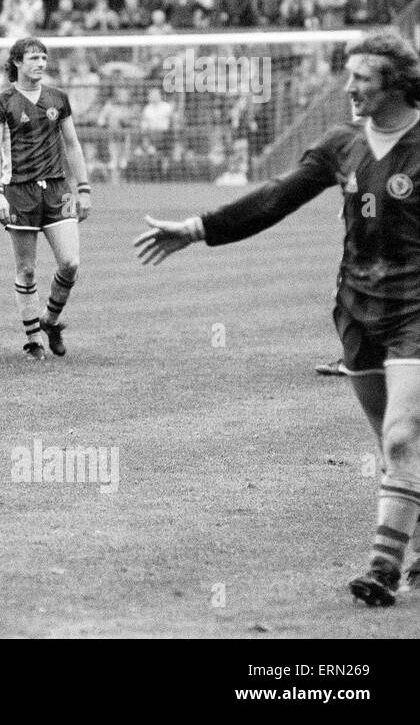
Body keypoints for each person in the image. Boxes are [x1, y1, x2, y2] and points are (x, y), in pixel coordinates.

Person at [136, 30, 420, 608]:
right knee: (395, 445)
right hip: (357, 309)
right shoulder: (343, 143)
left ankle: (382, 569)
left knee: (401, 437)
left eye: (361, 79)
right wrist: (197, 229)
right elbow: (275, 196)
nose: (349, 88)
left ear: (394, 84)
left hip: (417, 308)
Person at [0, 36, 92, 360]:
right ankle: (33, 340)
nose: (41, 63)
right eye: (34, 57)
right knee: (27, 270)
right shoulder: (1, 102)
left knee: (70, 263)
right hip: (19, 191)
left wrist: (84, 187)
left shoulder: (57, 98)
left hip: (58, 188)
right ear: (17, 62)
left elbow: (72, 144)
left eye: (44, 57)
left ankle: (50, 320)